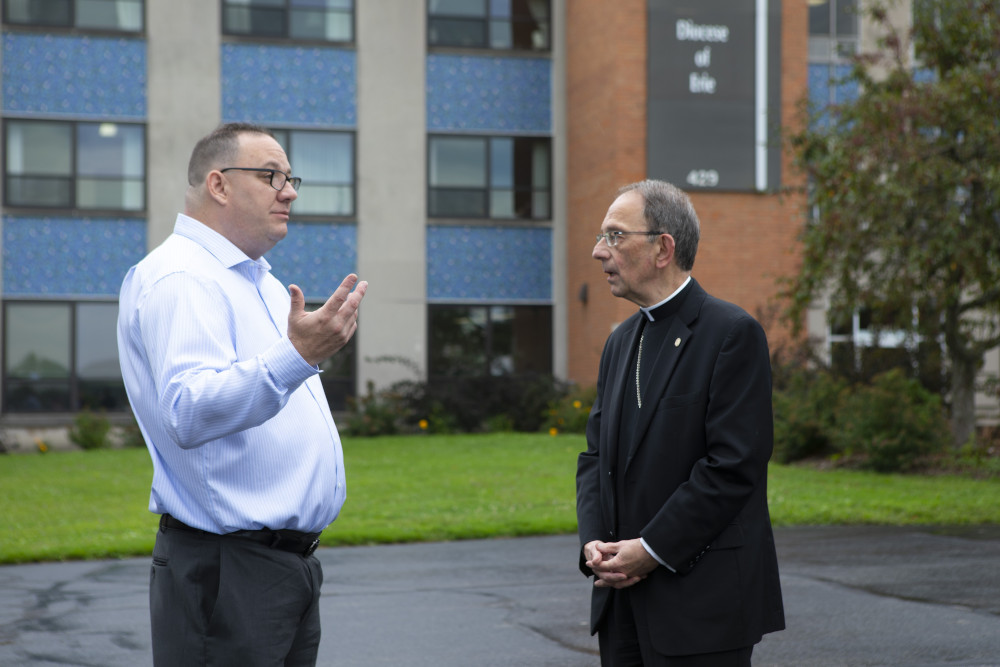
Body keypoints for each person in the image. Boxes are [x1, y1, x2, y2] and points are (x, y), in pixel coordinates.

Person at [117, 122, 367, 666]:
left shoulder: (261, 282)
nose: (291, 190)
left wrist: (301, 353)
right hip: (228, 570)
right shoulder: (181, 278)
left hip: (281, 567)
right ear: (219, 184)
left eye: (290, 177)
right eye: (271, 175)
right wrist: (299, 355)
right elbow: (188, 409)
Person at [576, 180, 785, 666]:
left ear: (662, 248)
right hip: (621, 601)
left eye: (614, 236)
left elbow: (732, 467)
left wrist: (650, 549)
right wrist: (595, 543)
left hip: (702, 605)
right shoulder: (620, 342)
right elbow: (594, 458)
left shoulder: (731, 334)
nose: (597, 251)